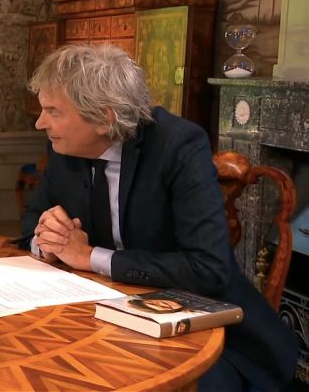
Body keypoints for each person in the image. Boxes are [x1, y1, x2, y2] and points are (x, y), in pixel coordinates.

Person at [21, 44, 297, 391]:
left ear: (104, 118)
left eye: (52, 111)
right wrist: (46, 240)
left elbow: (209, 269)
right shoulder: (65, 147)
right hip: (103, 317)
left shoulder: (178, 146)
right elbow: (32, 219)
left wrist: (90, 257)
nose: (39, 122)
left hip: (208, 331)